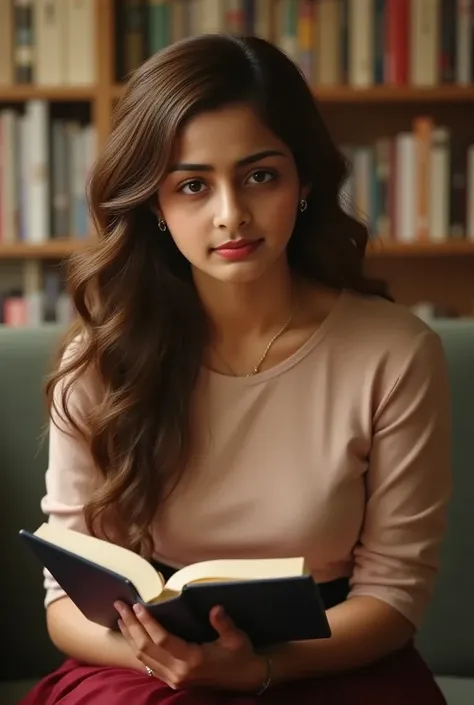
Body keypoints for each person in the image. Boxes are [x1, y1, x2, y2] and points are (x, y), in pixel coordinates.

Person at [20, 33, 451, 705]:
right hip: (144, 663)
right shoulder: (100, 358)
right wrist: (170, 660)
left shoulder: (394, 353)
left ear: (303, 180)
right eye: (193, 185)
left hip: (328, 659)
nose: (232, 214)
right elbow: (64, 601)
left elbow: (394, 596)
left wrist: (260, 670)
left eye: (260, 175)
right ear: (155, 207)